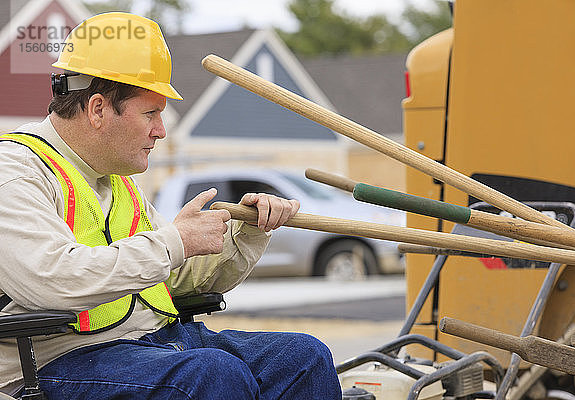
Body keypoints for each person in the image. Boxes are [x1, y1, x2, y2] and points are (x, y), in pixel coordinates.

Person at [0, 12, 341, 399]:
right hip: (61, 361)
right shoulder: (15, 171)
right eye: (151, 113)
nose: (161, 130)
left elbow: (171, 278)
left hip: (155, 342)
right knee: (212, 374)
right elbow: (51, 279)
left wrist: (245, 234)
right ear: (97, 109)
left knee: (303, 357)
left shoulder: (116, 177)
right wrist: (174, 241)